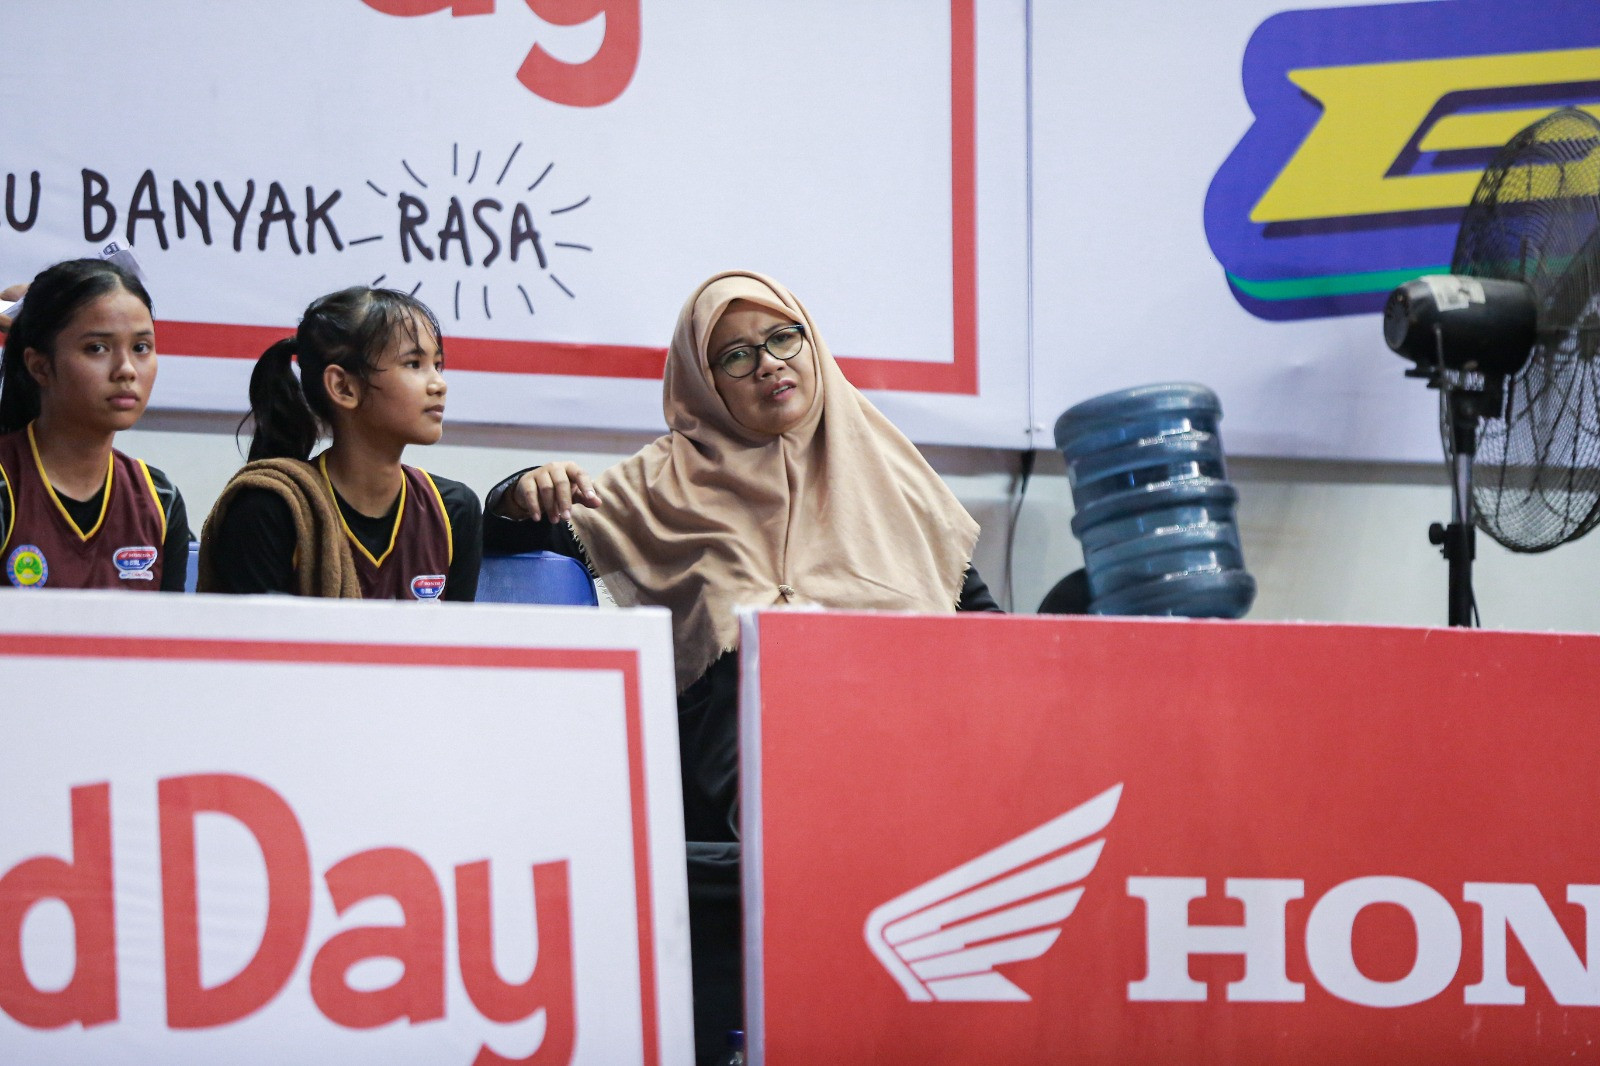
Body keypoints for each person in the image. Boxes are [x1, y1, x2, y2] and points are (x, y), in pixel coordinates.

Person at [483, 269, 999, 1062]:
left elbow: (987, 636)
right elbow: (534, 538)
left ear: (811, 342)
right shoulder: (662, 484)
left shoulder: (892, 474)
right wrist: (519, 492)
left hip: (903, 826)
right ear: (702, 379)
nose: (768, 364)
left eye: (782, 338)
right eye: (735, 356)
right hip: (734, 843)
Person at [199, 287, 481, 600]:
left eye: (437, 365)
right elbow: (257, 647)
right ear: (343, 387)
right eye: (414, 364)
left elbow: (453, 646)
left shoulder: (453, 510)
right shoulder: (268, 509)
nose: (439, 385)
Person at [0, 258, 189, 591]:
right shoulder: (6, 485)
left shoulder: (160, 499)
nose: (127, 369)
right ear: (40, 367)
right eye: (97, 348)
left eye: (141, 347)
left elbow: (163, 640)